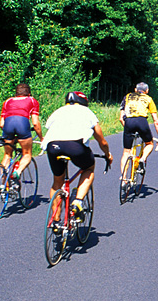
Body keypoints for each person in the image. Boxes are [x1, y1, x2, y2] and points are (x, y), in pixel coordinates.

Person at [41, 91, 113, 225]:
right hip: (75, 145)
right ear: (84, 102)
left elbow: (49, 128)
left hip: (53, 146)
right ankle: (78, 202)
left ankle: (56, 221)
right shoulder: (87, 112)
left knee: (57, 182)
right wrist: (107, 154)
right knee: (89, 168)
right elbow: (101, 140)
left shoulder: (58, 111)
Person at [0, 83, 43, 178]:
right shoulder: (32, 101)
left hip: (8, 125)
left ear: (16, 94)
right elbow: (35, 123)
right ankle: (17, 172)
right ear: (29, 94)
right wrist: (41, 138)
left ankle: (3, 183)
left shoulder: (8, 101)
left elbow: (1, 124)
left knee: (7, 155)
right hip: (22, 124)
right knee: (27, 154)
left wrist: (12, 136)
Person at [119, 82, 158, 177]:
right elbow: (156, 121)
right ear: (147, 91)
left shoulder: (127, 96)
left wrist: (128, 129)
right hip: (142, 121)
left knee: (126, 151)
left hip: (129, 122)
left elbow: (121, 118)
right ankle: (143, 158)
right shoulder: (148, 99)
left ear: (135, 89)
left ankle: (123, 178)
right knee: (149, 144)